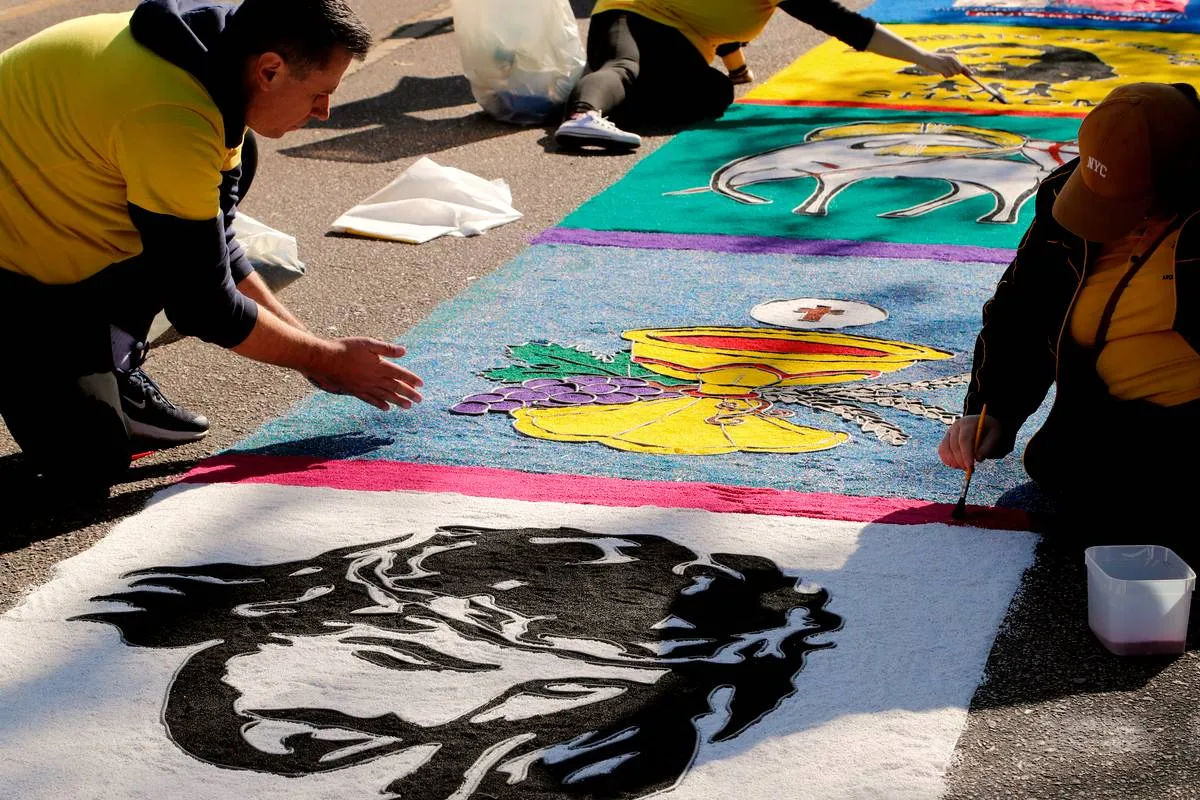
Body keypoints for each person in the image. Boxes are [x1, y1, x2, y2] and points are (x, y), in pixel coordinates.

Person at [0, 0, 424, 500]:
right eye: (319, 93)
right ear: (270, 69)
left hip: (47, 205)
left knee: (223, 183)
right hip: (14, 264)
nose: (324, 111)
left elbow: (213, 248)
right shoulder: (173, 116)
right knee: (88, 464)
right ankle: (58, 350)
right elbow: (204, 303)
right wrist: (327, 357)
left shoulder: (213, 57)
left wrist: (310, 349)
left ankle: (105, 354)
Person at [939, 82, 1200, 535]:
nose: (1108, 222)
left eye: (1127, 207)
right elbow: (1021, 309)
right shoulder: (1066, 192)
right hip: (1093, 439)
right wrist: (992, 410)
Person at [553, 0, 971, 150]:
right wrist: (926, 57)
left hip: (682, 46)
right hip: (630, 15)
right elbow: (849, 25)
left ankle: (608, 108)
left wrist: (927, 58)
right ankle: (583, 115)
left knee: (713, 93)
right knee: (625, 68)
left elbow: (844, 24)